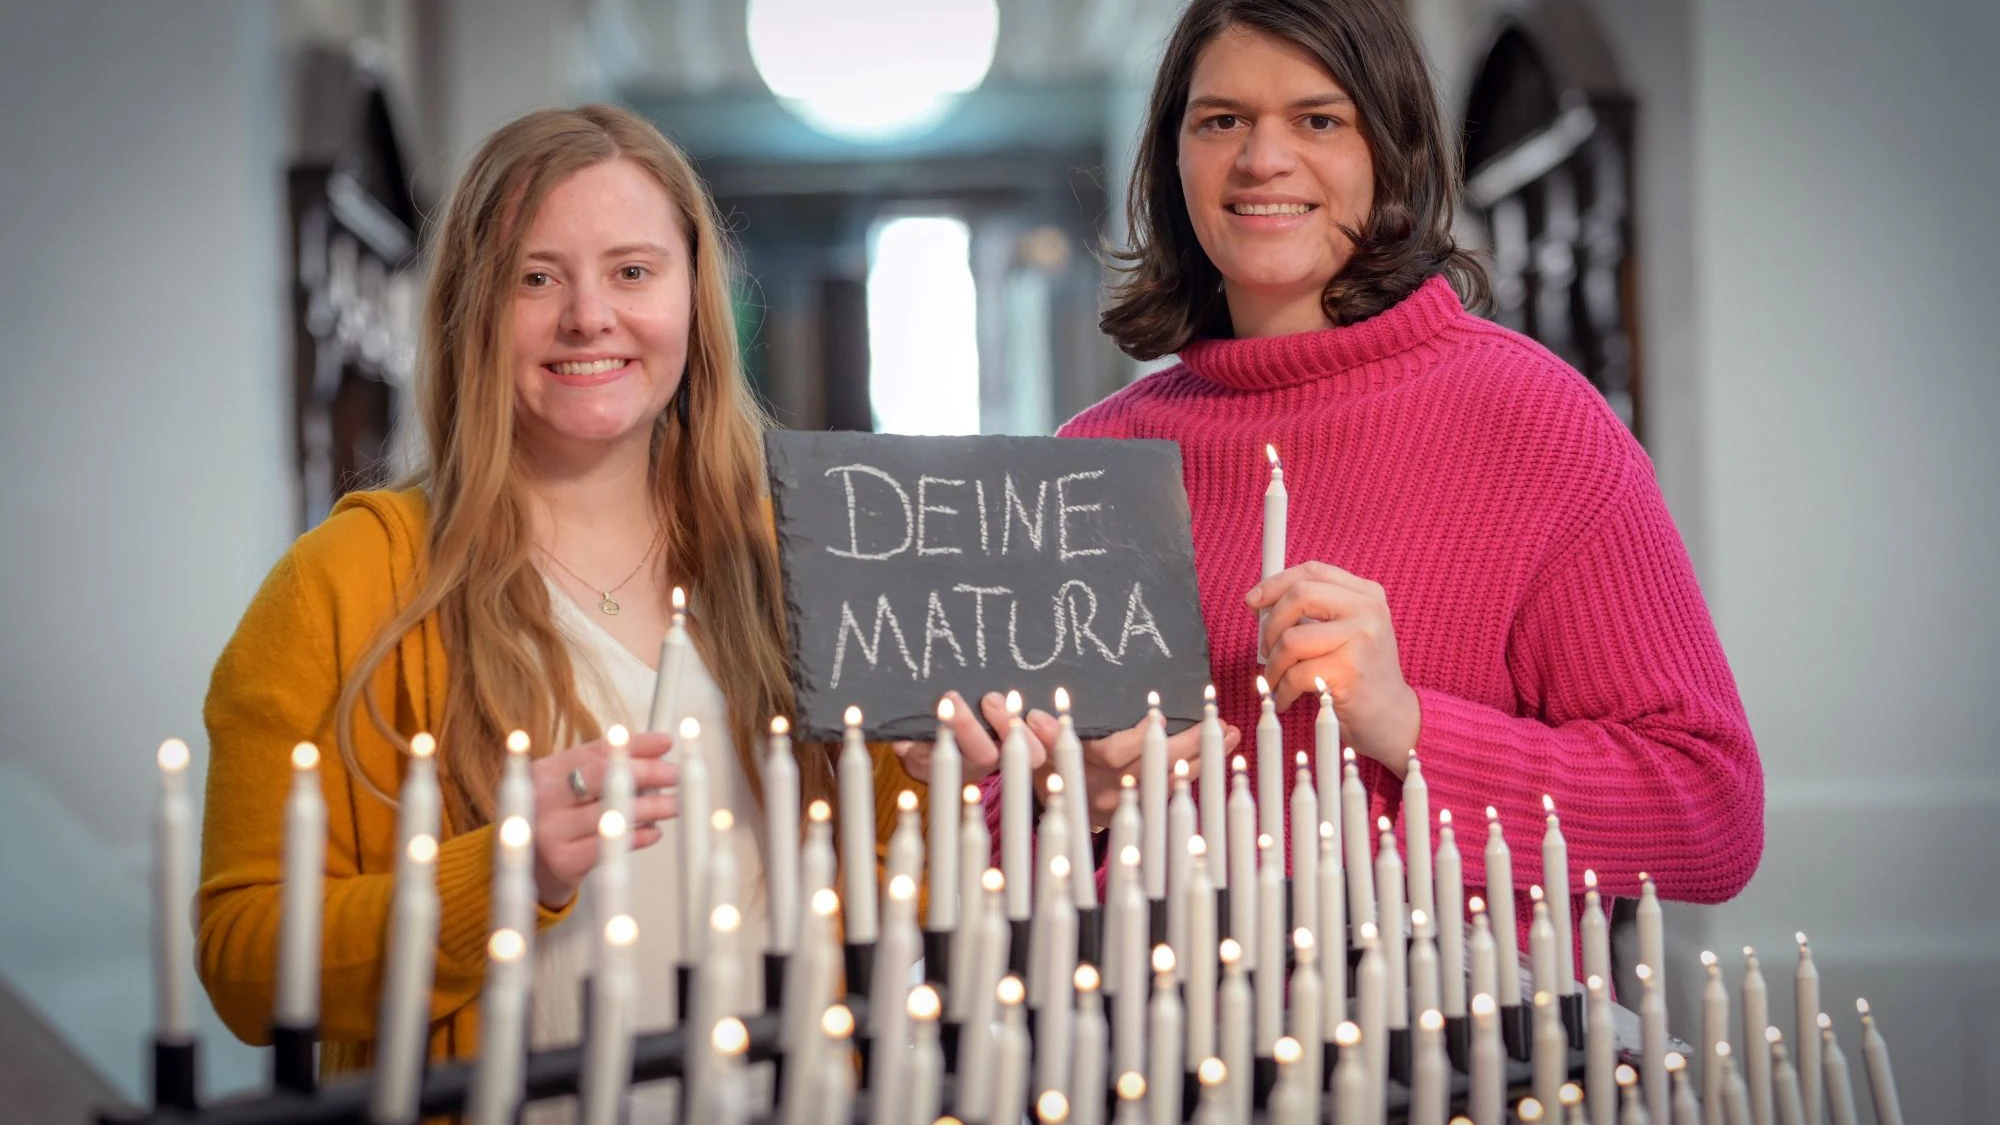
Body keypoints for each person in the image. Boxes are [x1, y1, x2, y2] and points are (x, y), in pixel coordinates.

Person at [930, 0, 1761, 931]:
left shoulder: (1535, 421)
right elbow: (1001, 861)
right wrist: (1069, 793)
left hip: (1462, 1058)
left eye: (1318, 119)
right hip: (1157, 1054)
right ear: (1174, 159)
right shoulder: (1091, 461)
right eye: (1221, 121)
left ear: (1390, 155)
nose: (1261, 160)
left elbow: (1708, 816)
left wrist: (1409, 724)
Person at [196, 104, 922, 1092]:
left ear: (691, 299)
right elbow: (243, 962)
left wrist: (966, 781)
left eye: (632, 271)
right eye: (535, 279)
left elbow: (910, 904)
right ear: (469, 310)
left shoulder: (802, 557)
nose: (589, 317)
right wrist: (497, 874)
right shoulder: (344, 583)